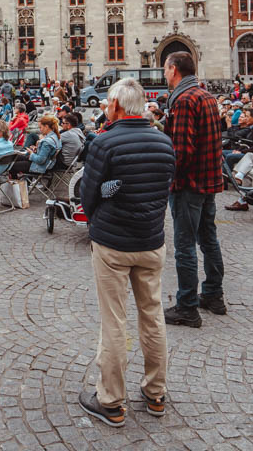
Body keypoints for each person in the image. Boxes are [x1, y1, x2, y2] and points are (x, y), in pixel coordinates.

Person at [76, 78, 174, 426]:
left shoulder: (105, 143)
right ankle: (156, 392)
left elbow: (88, 196)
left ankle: (112, 401)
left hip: (114, 244)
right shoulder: (164, 143)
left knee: (114, 321)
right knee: (152, 315)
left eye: (106, 102)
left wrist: (104, 203)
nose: (104, 107)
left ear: (116, 104)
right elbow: (164, 189)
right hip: (150, 242)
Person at [162, 52, 225, 328]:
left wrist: (171, 180)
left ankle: (187, 306)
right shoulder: (205, 95)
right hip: (208, 179)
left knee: (185, 245)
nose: (164, 73)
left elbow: (182, 151)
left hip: (189, 184)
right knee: (208, 239)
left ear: (173, 69)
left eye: (165, 69)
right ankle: (213, 294)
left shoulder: (185, 100)